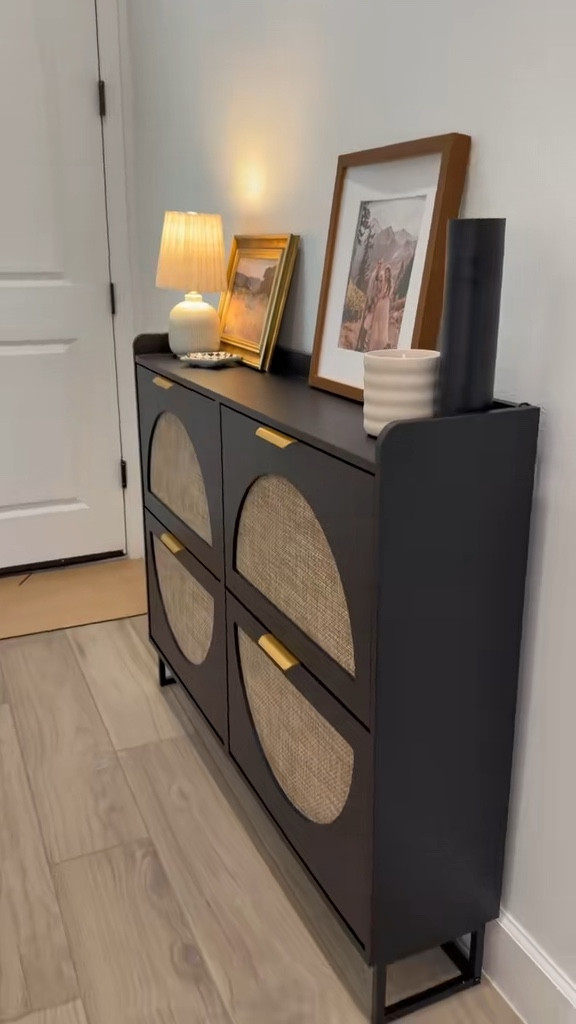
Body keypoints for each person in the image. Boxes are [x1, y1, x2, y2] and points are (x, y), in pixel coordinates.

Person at [356, 259, 385, 351]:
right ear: (377, 264)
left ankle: (363, 343)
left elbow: (379, 289)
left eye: (381, 264)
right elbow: (370, 290)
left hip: (375, 303)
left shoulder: (380, 276)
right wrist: (370, 302)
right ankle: (360, 344)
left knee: (369, 325)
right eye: (379, 263)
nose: (380, 265)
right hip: (370, 302)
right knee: (366, 323)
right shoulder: (374, 275)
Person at [368, 264, 392, 350]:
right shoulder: (382, 281)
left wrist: (381, 296)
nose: (387, 274)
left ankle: (382, 342)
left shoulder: (390, 283)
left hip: (385, 303)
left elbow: (387, 294)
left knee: (383, 322)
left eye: (388, 273)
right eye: (386, 272)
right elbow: (377, 281)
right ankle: (374, 342)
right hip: (380, 302)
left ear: (390, 274)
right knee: (377, 321)